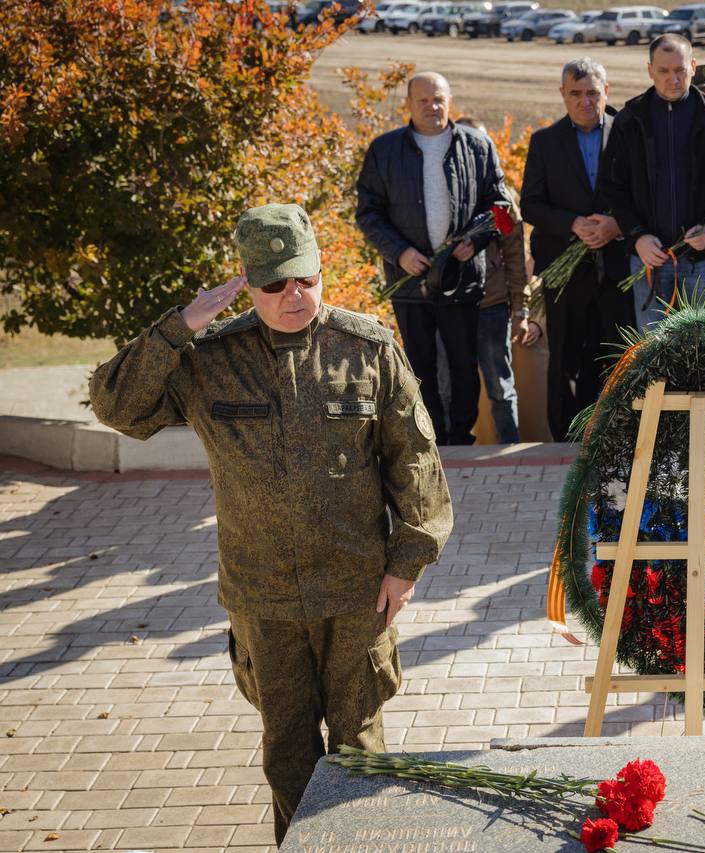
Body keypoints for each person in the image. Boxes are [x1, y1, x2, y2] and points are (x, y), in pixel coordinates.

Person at [89, 204, 454, 842]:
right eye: (275, 283)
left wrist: (406, 566)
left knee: (359, 749)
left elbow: (414, 459)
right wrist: (181, 327)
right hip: (263, 595)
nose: (294, 295)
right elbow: (118, 405)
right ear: (248, 283)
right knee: (287, 750)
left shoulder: (365, 347)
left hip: (356, 588)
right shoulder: (207, 359)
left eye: (306, 279)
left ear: (321, 271)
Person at [356, 71, 506, 445]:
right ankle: (431, 440)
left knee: (462, 364)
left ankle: (460, 438)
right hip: (409, 283)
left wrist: (478, 239)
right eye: (423, 100)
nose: (432, 107)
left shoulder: (478, 146)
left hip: (462, 278)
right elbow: (368, 213)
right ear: (408, 104)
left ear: (449, 101)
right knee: (419, 366)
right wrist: (400, 252)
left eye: (438, 99)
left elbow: (501, 207)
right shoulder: (385, 150)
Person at [522, 58, 636, 440]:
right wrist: (573, 223)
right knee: (566, 360)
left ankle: (618, 437)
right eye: (576, 93)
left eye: (592, 92)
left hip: (619, 268)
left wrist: (617, 224)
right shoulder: (545, 142)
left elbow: (646, 194)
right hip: (565, 268)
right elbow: (531, 205)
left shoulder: (629, 133)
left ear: (606, 91)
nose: (585, 101)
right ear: (563, 96)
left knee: (617, 356)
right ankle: (566, 443)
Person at [601, 33, 705, 330]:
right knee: (653, 356)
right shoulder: (631, 119)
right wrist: (637, 235)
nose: (673, 79)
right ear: (650, 69)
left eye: (680, 70)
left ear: (693, 66)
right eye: (664, 71)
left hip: (702, 259)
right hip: (649, 258)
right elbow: (614, 187)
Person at [454, 115, 542, 444]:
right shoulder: (439, 189)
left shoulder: (502, 198)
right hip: (448, 307)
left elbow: (516, 258)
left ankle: (511, 453)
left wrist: (520, 309)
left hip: (490, 305)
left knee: (500, 389)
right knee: (450, 389)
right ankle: (453, 453)